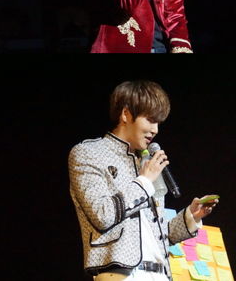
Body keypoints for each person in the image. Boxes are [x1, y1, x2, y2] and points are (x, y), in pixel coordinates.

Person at [69, 80, 218, 280]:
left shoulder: (145, 162)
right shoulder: (89, 153)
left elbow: (158, 236)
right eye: (150, 120)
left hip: (160, 274)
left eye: (158, 123)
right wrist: (144, 182)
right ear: (125, 114)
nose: (155, 129)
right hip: (122, 275)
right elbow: (102, 214)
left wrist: (191, 216)